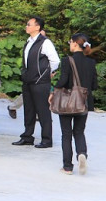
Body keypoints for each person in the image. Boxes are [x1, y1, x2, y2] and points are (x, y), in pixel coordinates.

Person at [52, 33, 98, 175]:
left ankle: (67, 167)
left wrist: (53, 90)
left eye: (70, 41)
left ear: (75, 44)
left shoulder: (67, 60)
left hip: (67, 101)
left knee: (66, 134)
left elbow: (63, 80)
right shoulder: (91, 62)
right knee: (79, 131)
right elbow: (94, 85)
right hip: (83, 102)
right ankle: (82, 154)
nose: (69, 44)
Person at [13, 17, 60, 148]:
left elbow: (55, 61)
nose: (26, 26)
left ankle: (47, 139)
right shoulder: (29, 42)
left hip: (40, 82)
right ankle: (27, 136)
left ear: (37, 27)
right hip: (28, 81)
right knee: (29, 110)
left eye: (29, 24)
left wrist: (47, 73)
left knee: (43, 110)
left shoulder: (45, 43)